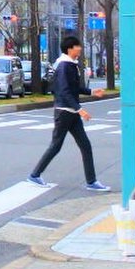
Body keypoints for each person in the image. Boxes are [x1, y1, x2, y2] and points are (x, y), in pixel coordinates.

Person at [28, 37, 109, 191]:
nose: (80, 48)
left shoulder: (70, 65)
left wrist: (92, 91)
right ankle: (34, 175)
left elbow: (74, 88)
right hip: (65, 112)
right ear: (70, 48)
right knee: (56, 146)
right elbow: (64, 91)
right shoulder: (65, 65)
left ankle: (91, 181)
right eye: (78, 46)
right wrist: (80, 109)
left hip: (70, 112)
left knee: (85, 145)